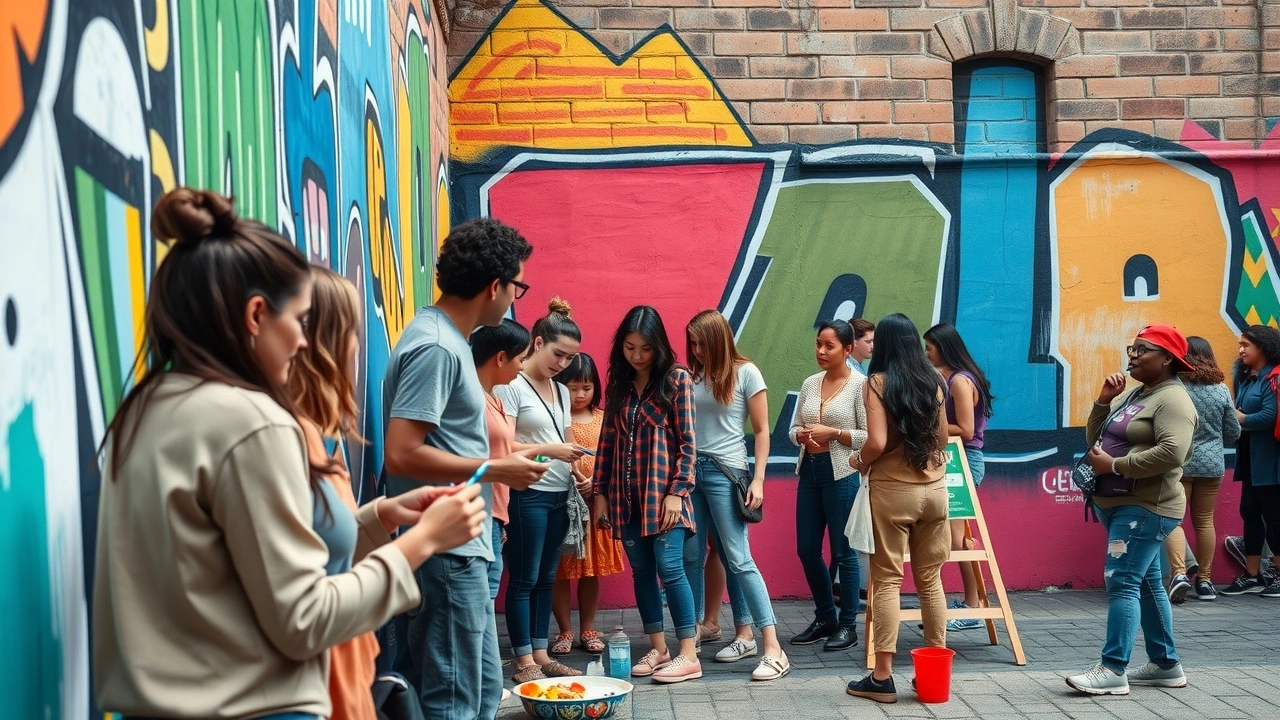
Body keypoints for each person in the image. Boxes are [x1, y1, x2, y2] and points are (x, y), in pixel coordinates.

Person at [93, 188, 487, 720]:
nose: (305, 342)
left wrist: (378, 519)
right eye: (300, 320)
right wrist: (423, 542)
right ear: (256, 315)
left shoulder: (145, 412)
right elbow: (304, 619)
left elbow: (220, 568)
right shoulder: (251, 423)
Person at [382, 218, 549, 719]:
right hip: (447, 550)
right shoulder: (436, 346)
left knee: (475, 696)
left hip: (456, 547)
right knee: (453, 700)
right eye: (518, 285)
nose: (517, 297)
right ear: (495, 287)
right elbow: (402, 451)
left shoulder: (447, 339)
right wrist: (498, 469)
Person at [1064, 324, 1196, 695]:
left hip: (1145, 507)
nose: (1132, 355)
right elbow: (1097, 440)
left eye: (1143, 349)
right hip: (1120, 505)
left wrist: (1117, 467)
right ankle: (1166, 665)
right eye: (1132, 348)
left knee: (1121, 581)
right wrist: (1104, 402)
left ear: (1167, 359)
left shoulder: (1173, 400)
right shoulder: (1139, 394)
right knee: (1149, 583)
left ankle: (1112, 669)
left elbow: (1174, 452)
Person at [592, 306, 701, 683]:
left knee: (670, 568)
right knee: (641, 571)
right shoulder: (620, 383)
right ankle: (660, 648)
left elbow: (688, 442)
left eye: (644, 348)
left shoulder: (677, 380)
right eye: (629, 347)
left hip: (664, 497)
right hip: (626, 499)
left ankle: (688, 653)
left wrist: (678, 492)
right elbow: (607, 442)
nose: (636, 356)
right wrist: (601, 493)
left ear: (659, 346)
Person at [680, 310, 790, 680]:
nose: (696, 350)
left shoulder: (746, 372)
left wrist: (758, 479)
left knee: (739, 557)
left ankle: (772, 647)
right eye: (692, 343)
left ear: (719, 340)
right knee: (692, 555)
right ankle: (691, 636)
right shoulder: (692, 375)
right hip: (691, 473)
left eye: (702, 343)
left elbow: (761, 431)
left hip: (726, 474)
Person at [847, 313, 950, 704]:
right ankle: (933, 677)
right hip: (935, 491)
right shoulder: (934, 381)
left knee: (888, 580)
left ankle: (882, 677)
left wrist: (858, 461)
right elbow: (941, 437)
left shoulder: (876, 382)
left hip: (892, 491)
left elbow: (875, 441)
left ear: (885, 344)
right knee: (931, 581)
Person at [494, 299, 586, 682]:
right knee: (525, 577)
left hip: (559, 495)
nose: (562, 364)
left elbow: (567, 442)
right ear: (536, 342)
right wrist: (551, 451)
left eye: (570, 359)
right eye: (558, 354)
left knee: (548, 577)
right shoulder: (512, 385)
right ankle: (524, 661)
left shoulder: (562, 392)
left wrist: (578, 473)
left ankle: (540, 653)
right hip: (526, 493)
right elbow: (503, 446)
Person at [787, 320, 865, 651]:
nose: (821, 351)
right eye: (819, 343)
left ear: (847, 350)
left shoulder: (860, 386)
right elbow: (793, 428)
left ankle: (848, 625)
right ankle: (825, 617)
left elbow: (868, 436)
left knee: (845, 554)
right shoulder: (810, 382)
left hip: (843, 474)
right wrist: (801, 435)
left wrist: (833, 433)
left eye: (829, 346)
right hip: (811, 472)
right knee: (806, 549)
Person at [551, 352, 626, 656]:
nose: (580, 395)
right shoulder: (554, 418)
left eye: (587, 388)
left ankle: (588, 628)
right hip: (563, 504)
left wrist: (597, 485)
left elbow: (616, 459)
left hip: (596, 507)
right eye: (572, 388)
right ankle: (565, 631)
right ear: (559, 386)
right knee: (560, 569)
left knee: (589, 569)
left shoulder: (604, 418)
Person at [924, 323, 995, 630]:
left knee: (958, 539)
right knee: (958, 536)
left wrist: (926, 429)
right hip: (953, 462)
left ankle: (972, 607)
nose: (925, 352)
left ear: (944, 347)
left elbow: (965, 430)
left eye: (929, 347)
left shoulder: (960, 382)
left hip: (964, 462)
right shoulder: (950, 379)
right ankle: (970, 602)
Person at [1164, 336, 1239, 603]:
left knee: (1172, 519)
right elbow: (1233, 432)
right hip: (1211, 464)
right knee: (1204, 521)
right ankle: (1205, 581)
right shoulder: (1219, 389)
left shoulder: (1175, 386)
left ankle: (1179, 573)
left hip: (1179, 463)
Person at [470, 319, 533, 603]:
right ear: (500, 358)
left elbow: (501, 451)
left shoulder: (495, 399)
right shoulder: (471, 400)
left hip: (495, 514)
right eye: (520, 359)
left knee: (486, 598)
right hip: (477, 513)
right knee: (480, 600)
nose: (522, 367)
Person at [1220, 325, 1280, 598]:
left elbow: (1268, 416)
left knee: (1275, 516)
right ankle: (1252, 575)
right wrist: (1238, 417)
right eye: (1240, 344)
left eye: (1246, 345)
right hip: (1249, 457)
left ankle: (1277, 575)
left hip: (1271, 460)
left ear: (1264, 348)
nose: (1240, 350)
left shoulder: (1273, 378)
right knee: (1250, 513)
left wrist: (1241, 419)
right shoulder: (1245, 378)